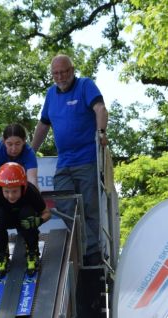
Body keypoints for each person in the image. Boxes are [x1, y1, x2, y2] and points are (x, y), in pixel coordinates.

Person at [31, 54, 108, 266]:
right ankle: (89, 247)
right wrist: (30, 152)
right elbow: (43, 125)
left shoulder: (85, 85)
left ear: (72, 70)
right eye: (55, 73)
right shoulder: (50, 94)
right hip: (64, 163)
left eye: (64, 71)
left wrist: (101, 132)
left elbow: (100, 109)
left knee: (90, 207)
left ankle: (92, 254)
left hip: (87, 159)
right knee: (64, 204)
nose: (60, 76)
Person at [0, 162, 51, 277]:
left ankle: (32, 252)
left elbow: (47, 213)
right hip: (6, 220)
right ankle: (1, 254)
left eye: (15, 191)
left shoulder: (31, 191)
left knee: (28, 214)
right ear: (1, 189)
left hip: (24, 220)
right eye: (6, 191)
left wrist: (38, 221)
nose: (11, 196)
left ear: (23, 187)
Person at [0, 123, 38, 248]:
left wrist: (35, 202)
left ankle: (22, 225)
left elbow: (32, 180)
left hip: (15, 164)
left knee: (21, 187)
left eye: (18, 144)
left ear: (24, 142)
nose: (13, 149)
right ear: (4, 141)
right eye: (9, 144)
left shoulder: (29, 152)